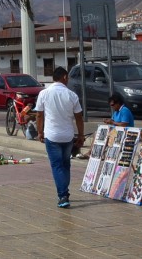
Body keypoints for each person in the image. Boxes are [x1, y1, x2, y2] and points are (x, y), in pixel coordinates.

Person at [34, 66, 85, 209]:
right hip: (68, 136)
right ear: (64, 77)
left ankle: (62, 196)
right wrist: (81, 135)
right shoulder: (72, 95)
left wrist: (40, 132)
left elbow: (39, 114)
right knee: (65, 164)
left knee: (57, 166)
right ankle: (65, 193)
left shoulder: (44, 94)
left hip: (52, 136)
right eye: (67, 77)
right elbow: (79, 117)